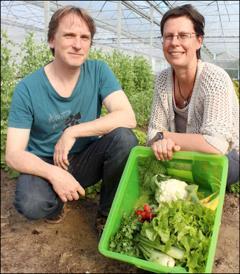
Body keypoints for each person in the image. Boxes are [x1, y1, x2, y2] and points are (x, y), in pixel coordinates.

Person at [5, 6, 138, 233]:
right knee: (32, 203)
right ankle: (56, 204)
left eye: (84, 37)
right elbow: (13, 154)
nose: (78, 44)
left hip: (85, 158)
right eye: (69, 35)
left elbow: (128, 116)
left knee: (124, 139)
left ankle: (106, 214)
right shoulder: (28, 88)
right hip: (45, 162)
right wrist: (54, 174)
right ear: (51, 40)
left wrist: (72, 132)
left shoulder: (98, 71)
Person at [147, 4, 239, 187]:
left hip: (228, 155)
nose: (174, 42)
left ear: (199, 40)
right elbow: (152, 133)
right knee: (153, 164)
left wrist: (164, 137)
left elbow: (216, 145)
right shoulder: (162, 79)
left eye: (183, 35)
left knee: (202, 170)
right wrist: (160, 140)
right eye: (168, 36)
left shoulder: (214, 78)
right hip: (186, 152)